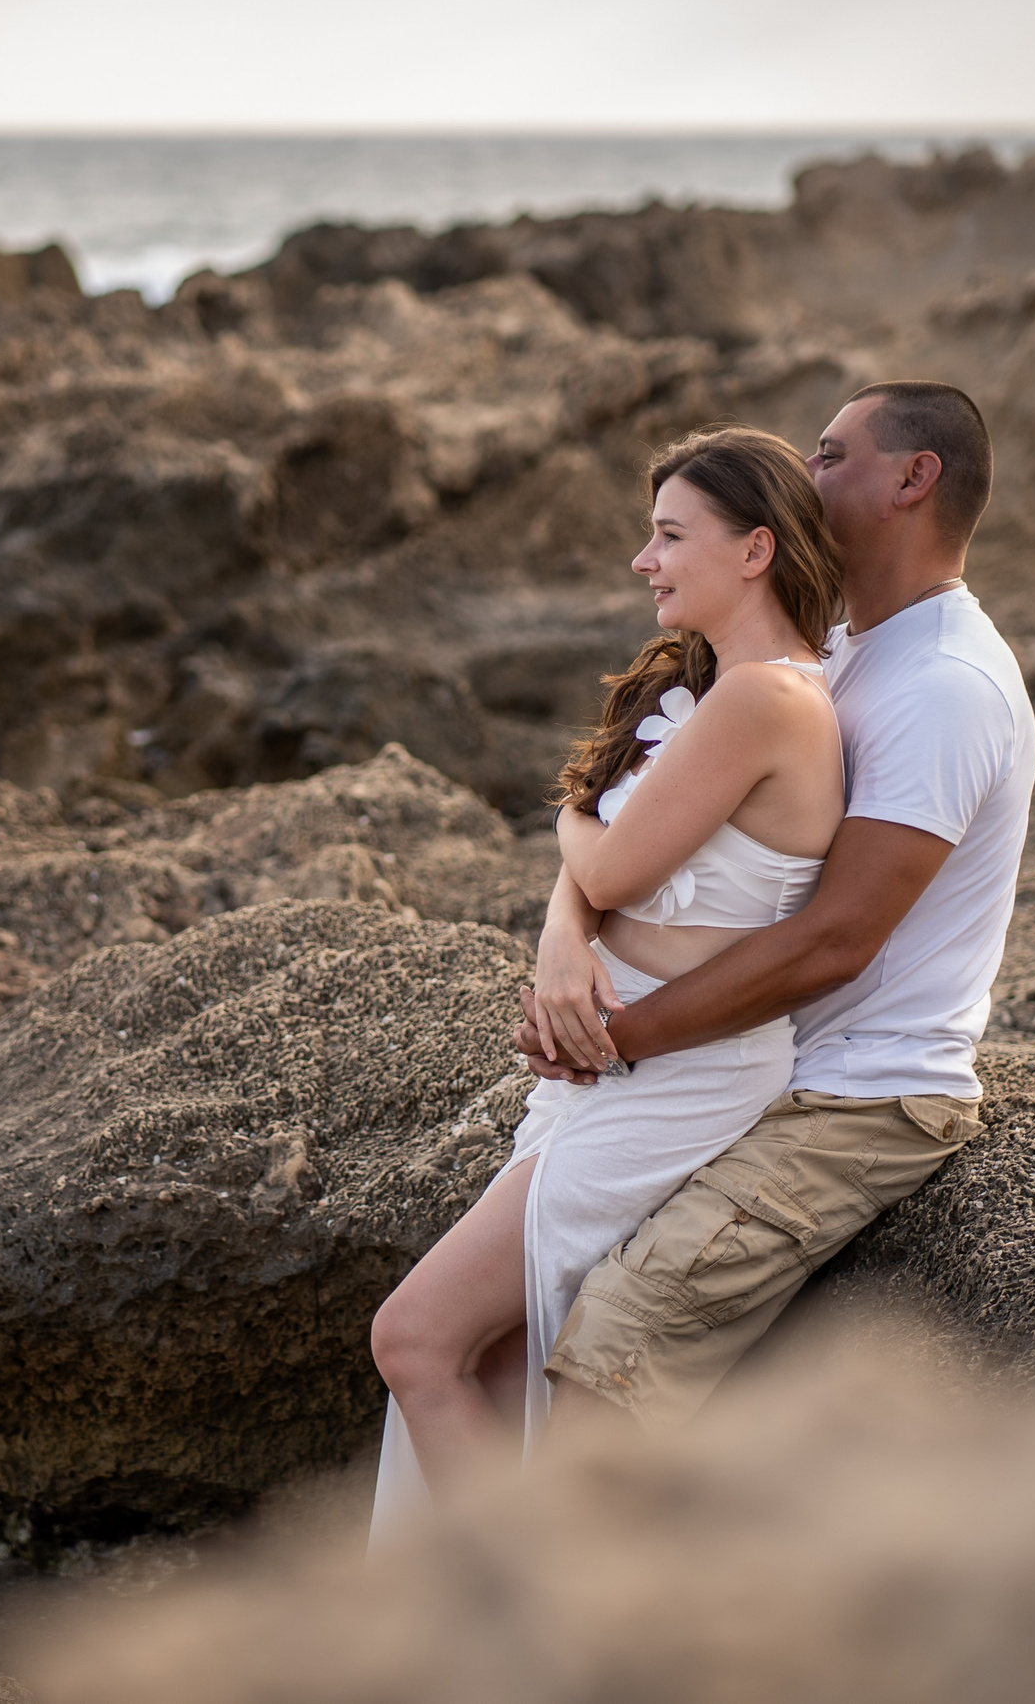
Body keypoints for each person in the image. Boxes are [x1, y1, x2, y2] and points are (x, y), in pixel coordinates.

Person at [517, 379, 1035, 1427]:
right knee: (503, 1315)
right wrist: (563, 948)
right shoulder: (831, 653)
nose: (807, 474)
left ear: (912, 478)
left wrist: (618, 1040)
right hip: (758, 1059)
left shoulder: (946, 683)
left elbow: (835, 941)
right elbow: (619, 834)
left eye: (831, 454)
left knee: (610, 1353)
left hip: (860, 1093)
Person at [367, 426, 847, 1541]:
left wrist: (567, 831)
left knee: (414, 1337)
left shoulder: (765, 701)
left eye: (671, 535)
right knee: (490, 1360)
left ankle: (533, 1615)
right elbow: (595, 880)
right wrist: (560, 936)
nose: (644, 559)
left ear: (754, 551)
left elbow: (609, 862)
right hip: (604, 1070)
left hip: (681, 1077)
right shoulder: (712, 685)